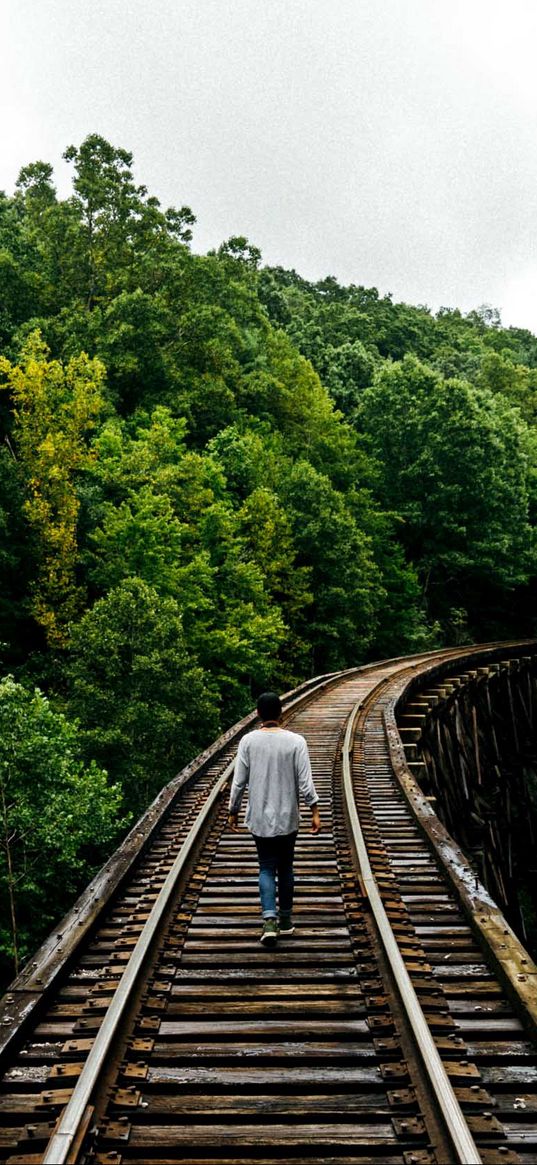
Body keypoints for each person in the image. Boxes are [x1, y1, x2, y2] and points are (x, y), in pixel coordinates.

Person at [228, 691, 321, 946]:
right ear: (281, 713)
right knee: (286, 867)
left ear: (258, 713)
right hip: (287, 816)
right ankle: (286, 921)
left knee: (266, 866)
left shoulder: (248, 741)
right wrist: (314, 809)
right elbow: (305, 781)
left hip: (259, 817)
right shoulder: (296, 741)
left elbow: (239, 782)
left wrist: (233, 811)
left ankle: (269, 921)